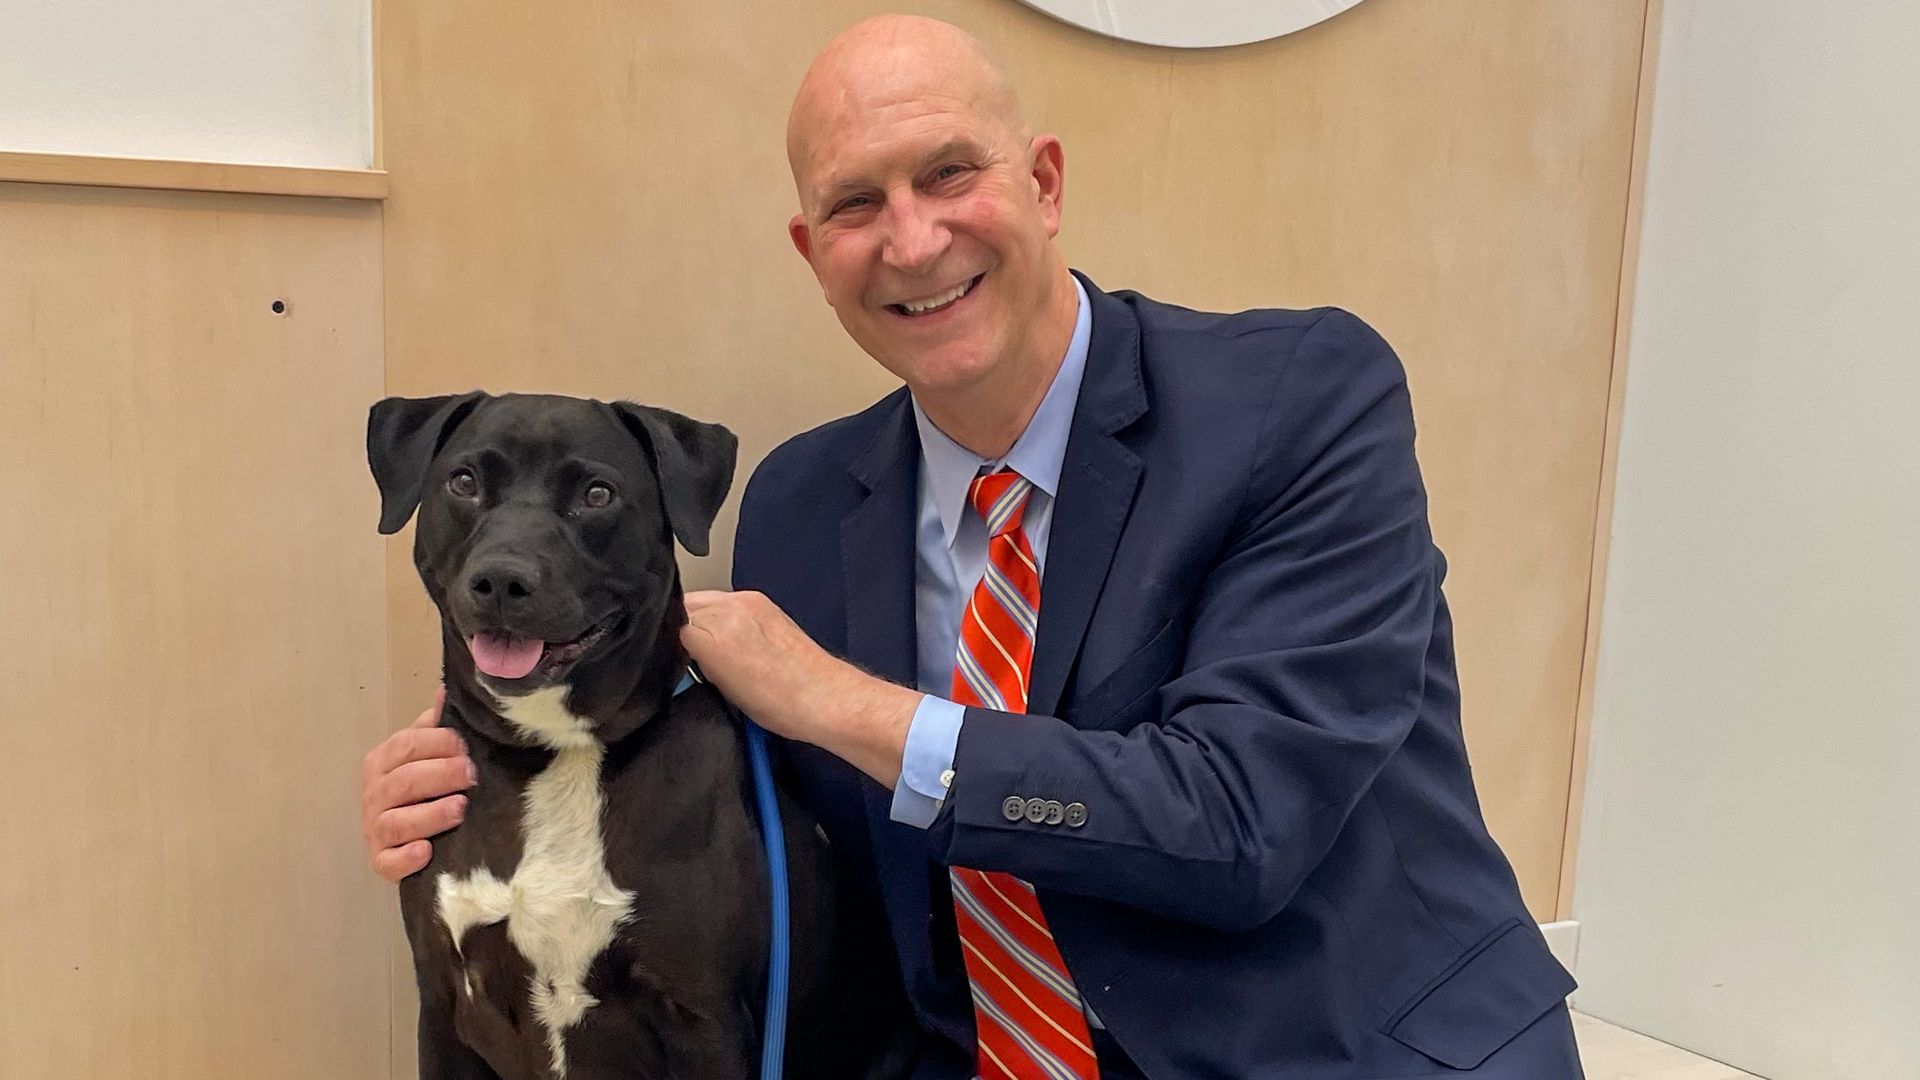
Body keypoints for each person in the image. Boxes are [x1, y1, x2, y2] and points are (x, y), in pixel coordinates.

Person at [361, 14, 1584, 1079]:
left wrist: (850, 707)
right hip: (968, 1055)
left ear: (1044, 184)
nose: (909, 240)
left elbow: (1238, 822)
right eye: (855, 204)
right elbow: (737, 812)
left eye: (950, 173)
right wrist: (474, 781)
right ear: (812, 256)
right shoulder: (799, 503)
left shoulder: (1301, 402)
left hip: (1340, 1050)